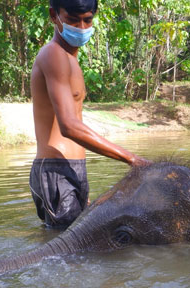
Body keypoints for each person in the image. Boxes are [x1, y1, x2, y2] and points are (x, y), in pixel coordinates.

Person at [30, 0, 151, 228]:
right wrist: (132, 159)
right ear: (54, 15)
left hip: (70, 169)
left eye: (88, 20)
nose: (82, 28)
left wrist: (80, 180)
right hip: (56, 170)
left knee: (76, 251)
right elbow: (69, 126)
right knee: (67, 253)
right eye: (73, 20)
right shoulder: (54, 56)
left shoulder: (70, 59)